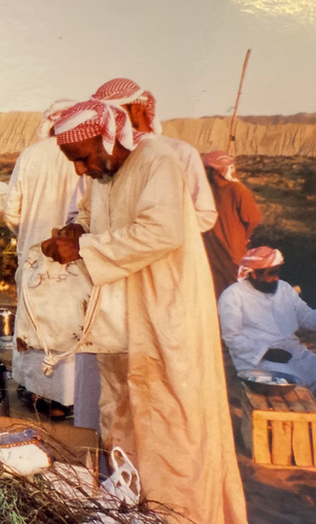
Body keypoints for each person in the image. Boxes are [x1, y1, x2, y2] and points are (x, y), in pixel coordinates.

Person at [41, 99, 246, 524]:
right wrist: (76, 230)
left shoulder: (158, 161)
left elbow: (162, 230)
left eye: (81, 159)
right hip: (123, 315)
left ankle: (183, 514)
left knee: (173, 420)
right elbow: (90, 215)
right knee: (123, 414)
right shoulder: (104, 174)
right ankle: (133, 512)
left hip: (167, 311)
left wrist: (85, 247)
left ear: (107, 138)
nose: (80, 171)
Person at [3, 99, 80, 420]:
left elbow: (11, 211)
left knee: (33, 321)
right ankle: (67, 398)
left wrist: (27, 235)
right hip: (75, 258)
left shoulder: (31, 155)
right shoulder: (80, 155)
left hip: (34, 254)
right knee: (70, 323)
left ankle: (35, 391)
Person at [92, 78, 217, 232]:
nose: (106, 122)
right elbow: (80, 211)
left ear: (137, 110)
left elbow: (204, 216)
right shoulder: (102, 156)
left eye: (112, 114)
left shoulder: (180, 152)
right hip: (109, 251)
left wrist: (152, 231)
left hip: (164, 253)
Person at [219, 247, 316, 391]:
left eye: (277, 272)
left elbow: (305, 316)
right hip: (258, 360)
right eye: (271, 274)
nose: (276, 278)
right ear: (253, 275)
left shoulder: (284, 288)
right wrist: (266, 352)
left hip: (294, 352)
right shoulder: (233, 296)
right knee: (292, 385)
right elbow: (232, 337)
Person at [201, 150, 262, 298]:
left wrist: (244, 237)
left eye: (206, 169)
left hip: (231, 250)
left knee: (235, 287)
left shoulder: (238, 190)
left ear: (215, 171)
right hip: (212, 248)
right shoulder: (210, 190)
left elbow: (253, 219)